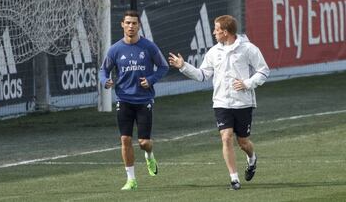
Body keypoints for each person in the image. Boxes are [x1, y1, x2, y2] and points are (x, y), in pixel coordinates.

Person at [168, 15, 269, 190]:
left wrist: (247, 83)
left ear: (226, 31)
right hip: (221, 103)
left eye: (216, 29)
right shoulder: (213, 52)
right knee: (226, 137)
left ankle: (252, 159)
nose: (214, 32)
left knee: (243, 142)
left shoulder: (248, 49)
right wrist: (183, 66)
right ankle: (234, 179)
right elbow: (202, 75)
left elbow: (264, 70)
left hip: (243, 103)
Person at [99, 10, 169, 190]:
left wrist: (151, 80)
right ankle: (131, 180)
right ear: (122, 24)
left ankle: (149, 155)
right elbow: (103, 70)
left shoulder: (149, 47)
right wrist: (105, 81)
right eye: (128, 23)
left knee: (144, 143)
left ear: (139, 26)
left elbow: (163, 66)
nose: (131, 26)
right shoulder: (115, 49)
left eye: (134, 23)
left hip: (144, 100)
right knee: (125, 139)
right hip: (123, 100)